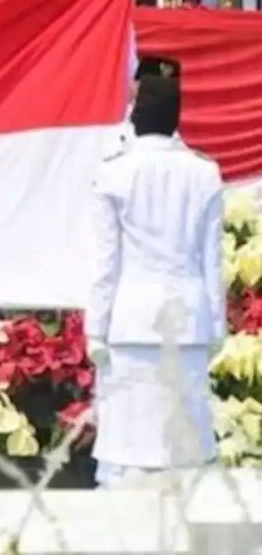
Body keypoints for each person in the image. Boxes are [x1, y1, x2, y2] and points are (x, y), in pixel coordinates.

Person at [88, 56, 224, 488]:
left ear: (136, 113)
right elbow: (212, 261)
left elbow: (105, 262)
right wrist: (216, 328)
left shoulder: (114, 172)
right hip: (188, 322)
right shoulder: (204, 174)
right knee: (184, 456)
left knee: (127, 453)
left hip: (131, 322)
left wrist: (95, 328)